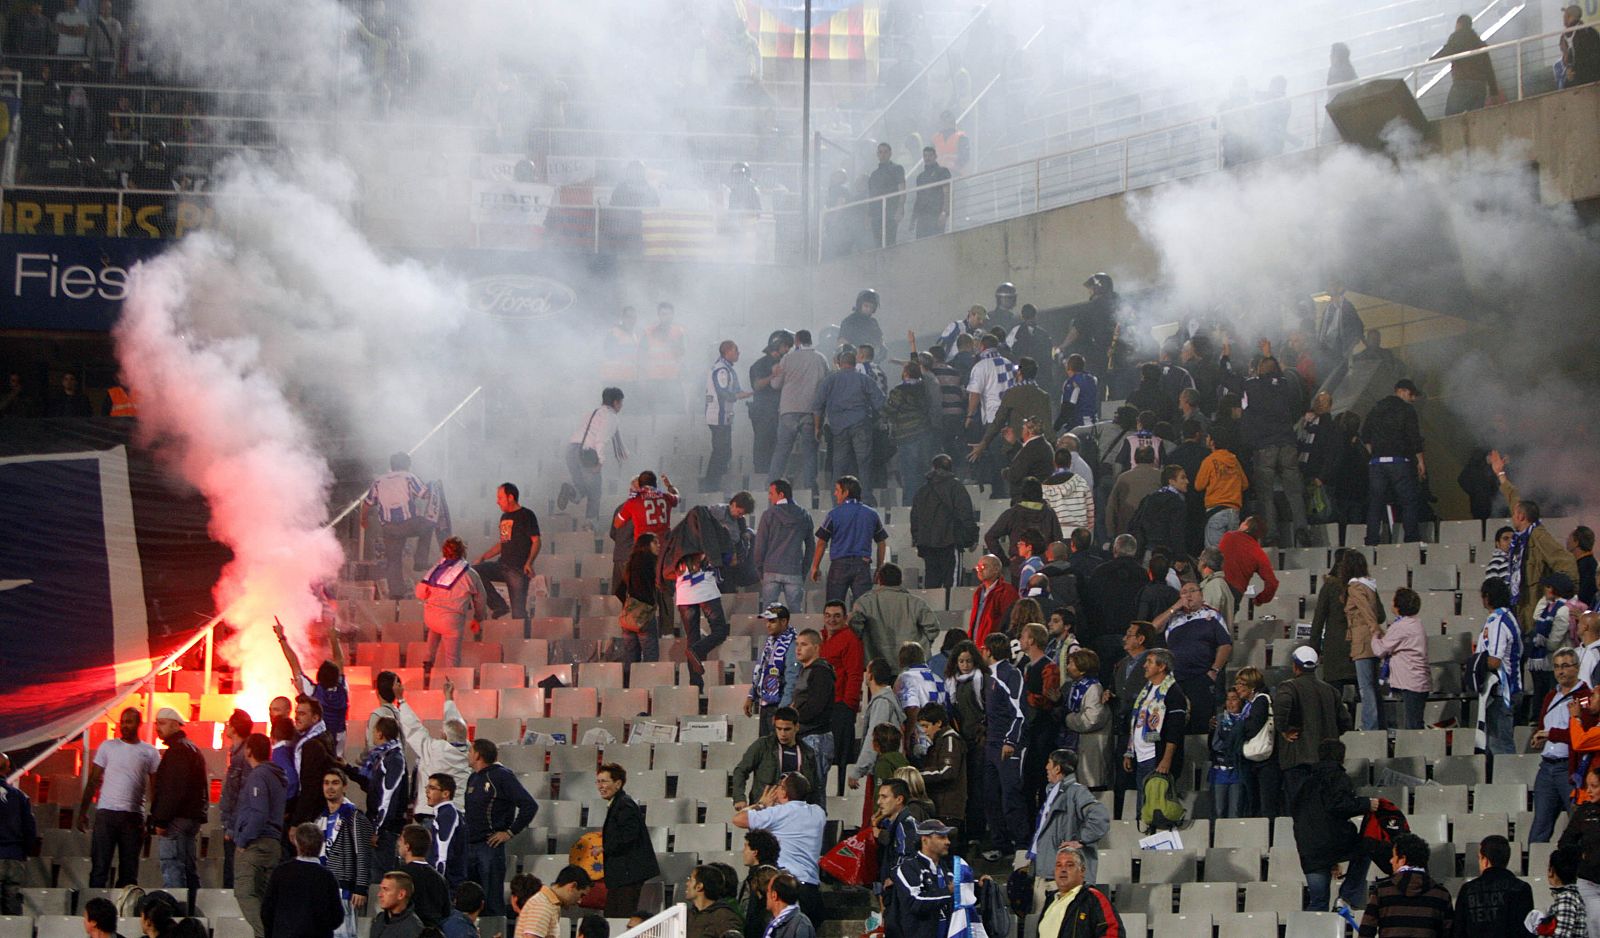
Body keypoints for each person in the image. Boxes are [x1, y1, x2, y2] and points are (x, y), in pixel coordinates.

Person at [1490, 450, 1580, 629]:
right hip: (1521, 610)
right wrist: (1500, 474)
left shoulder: (1538, 535)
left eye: (1515, 514)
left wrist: (1558, 597)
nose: (1512, 516)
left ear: (1522, 516)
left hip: (1535, 615)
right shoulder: (1522, 538)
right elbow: (1513, 498)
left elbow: (1567, 562)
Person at [1290, 738, 1377, 915]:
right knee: (1369, 847)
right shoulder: (1337, 776)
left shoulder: (1304, 782)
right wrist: (1366, 804)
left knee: (1318, 902)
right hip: (1332, 842)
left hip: (1309, 847)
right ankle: (1347, 896)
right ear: (1341, 757)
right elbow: (1339, 806)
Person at [1022, 750, 1110, 916]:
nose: (1046, 767)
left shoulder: (1076, 791)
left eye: (1049, 763)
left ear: (1057, 768)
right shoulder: (1053, 792)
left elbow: (1100, 816)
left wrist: (1081, 840)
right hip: (1045, 873)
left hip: (1060, 878)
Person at [80, 706, 160, 888]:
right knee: (100, 866)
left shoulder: (150, 752)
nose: (124, 726)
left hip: (132, 816)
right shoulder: (107, 746)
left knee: (129, 870)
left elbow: (155, 788)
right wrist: (83, 811)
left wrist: (153, 816)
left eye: (129, 722)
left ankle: (125, 912)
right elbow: (93, 780)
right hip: (106, 813)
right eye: (122, 722)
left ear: (138, 724)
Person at [734, 774, 827, 924]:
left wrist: (761, 804)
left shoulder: (777, 814)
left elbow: (738, 819)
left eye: (780, 786)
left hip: (785, 887)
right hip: (811, 889)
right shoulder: (818, 813)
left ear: (783, 792)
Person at [465, 740, 538, 916]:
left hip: (489, 847)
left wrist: (509, 832)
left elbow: (529, 805)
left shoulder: (502, 776)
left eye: (470, 751)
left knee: (491, 901)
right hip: (470, 846)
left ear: (477, 755)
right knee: (470, 902)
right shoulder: (473, 777)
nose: (467, 754)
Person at [1151, 579, 1231, 732]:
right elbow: (1153, 627)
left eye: (1192, 591)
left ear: (1201, 595)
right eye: (1184, 592)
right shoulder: (1174, 618)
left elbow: (1225, 644)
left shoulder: (1211, 615)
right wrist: (1174, 608)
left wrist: (1214, 671)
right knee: (1175, 723)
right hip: (1176, 679)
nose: (1188, 595)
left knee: (1201, 722)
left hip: (1202, 676)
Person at [1275, 646, 1351, 801]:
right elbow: (1345, 722)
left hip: (1298, 761)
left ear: (1295, 666)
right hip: (1326, 761)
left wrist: (1283, 730)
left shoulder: (1289, 687)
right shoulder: (1330, 690)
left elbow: (1282, 707)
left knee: (1300, 808)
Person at [150, 707, 207, 912]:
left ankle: (176, 916)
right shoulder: (190, 748)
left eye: (163, 723)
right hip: (190, 818)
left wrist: (161, 820)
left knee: (173, 868)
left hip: (177, 820)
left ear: (176, 724)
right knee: (188, 868)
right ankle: (191, 913)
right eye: (157, 723)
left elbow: (172, 790)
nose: (158, 727)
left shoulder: (178, 751)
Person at [229, 734, 286, 938]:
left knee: (245, 892)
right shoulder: (276, 776)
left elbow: (259, 813)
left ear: (249, 750)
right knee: (263, 899)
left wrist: (243, 840)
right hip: (272, 844)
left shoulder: (259, 776)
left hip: (257, 843)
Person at [1530, 648, 1589, 843]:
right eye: (1556, 667)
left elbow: (1583, 736)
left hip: (1569, 769)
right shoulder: (1550, 696)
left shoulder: (1586, 697)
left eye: (1565, 666)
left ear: (1577, 668)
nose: (1560, 671)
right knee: (1540, 826)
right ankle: (1534, 869)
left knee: (1577, 825)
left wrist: (1551, 734)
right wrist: (1539, 737)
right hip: (1546, 767)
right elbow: (1542, 726)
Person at [978, 632, 1028, 860]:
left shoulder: (1010, 674)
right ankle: (1001, 844)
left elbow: (1019, 712)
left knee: (1010, 796)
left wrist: (1011, 741)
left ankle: (1022, 845)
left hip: (1006, 745)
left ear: (989, 650)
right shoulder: (988, 676)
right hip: (991, 744)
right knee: (990, 795)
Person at [1122, 649, 1188, 818]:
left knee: (1156, 809)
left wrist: (1166, 760)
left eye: (1150, 662)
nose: (1144, 665)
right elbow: (1138, 721)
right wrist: (1130, 752)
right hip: (1141, 757)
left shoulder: (1174, 693)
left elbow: (1175, 731)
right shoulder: (1147, 689)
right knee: (1142, 808)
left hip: (1156, 759)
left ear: (1162, 667)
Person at [1361, 379, 1427, 545]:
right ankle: (1411, 539)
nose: (1412, 399)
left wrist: (1375, 454)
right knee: (1408, 501)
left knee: (1375, 503)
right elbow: (1414, 438)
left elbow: (1365, 435)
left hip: (1377, 463)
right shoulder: (1407, 410)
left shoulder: (1376, 409)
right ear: (1403, 391)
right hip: (1399, 461)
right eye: (1411, 395)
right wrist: (1420, 461)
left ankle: (1371, 540)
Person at [393, 677, 469, 821]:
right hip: (459, 813)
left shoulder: (435, 749)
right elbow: (455, 725)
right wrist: (448, 698)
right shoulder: (469, 752)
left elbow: (414, 729)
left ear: (444, 735)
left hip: (432, 813)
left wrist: (401, 700)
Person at [360, 453, 433, 599]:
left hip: (389, 527)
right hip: (409, 523)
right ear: (407, 464)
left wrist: (364, 519)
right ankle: (420, 561)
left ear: (391, 465)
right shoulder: (408, 476)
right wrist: (432, 486)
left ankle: (396, 592)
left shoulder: (379, 481)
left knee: (393, 559)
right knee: (428, 525)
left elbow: (367, 503)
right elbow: (425, 495)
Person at [814, 351, 888, 493]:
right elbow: (880, 403)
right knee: (864, 463)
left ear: (840, 364)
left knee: (839, 465)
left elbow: (817, 406)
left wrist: (817, 427)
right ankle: (865, 498)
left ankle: (837, 500)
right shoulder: (864, 379)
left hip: (838, 428)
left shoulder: (830, 380)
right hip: (861, 424)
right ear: (855, 364)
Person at [810, 475, 888, 606]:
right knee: (864, 609)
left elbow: (822, 542)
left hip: (839, 566)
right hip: (862, 565)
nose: (835, 494)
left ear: (846, 493)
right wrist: (879, 567)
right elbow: (881, 542)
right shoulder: (872, 514)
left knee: (834, 608)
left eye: (837, 490)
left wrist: (815, 567)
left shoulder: (833, 514)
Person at [1358, 832, 1453, 935]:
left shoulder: (1382, 891)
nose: (1391, 861)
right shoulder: (1442, 894)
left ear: (1402, 860)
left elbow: (1366, 931)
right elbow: (1450, 932)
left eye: (1393, 856)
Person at [769, 329, 832, 487]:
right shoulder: (821, 358)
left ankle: (771, 485)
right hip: (812, 412)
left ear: (797, 341)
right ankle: (810, 488)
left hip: (789, 410)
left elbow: (775, 384)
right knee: (810, 453)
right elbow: (827, 384)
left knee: (782, 450)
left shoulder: (788, 358)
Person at [413, 537, 487, 669]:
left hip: (431, 617)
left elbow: (419, 593)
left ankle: (428, 660)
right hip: (451, 621)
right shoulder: (470, 574)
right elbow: (481, 598)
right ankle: (451, 682)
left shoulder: (435, 570)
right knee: (452, 658)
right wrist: (478, 618)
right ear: (463, 551)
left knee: (434, 628)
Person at [595, 764, 658, 917]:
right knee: (614, 916)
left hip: (627, 874)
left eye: (604, 781)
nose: (600, 786)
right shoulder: (619, 803)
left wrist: (605, 848)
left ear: (618, 783)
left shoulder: (624, 804)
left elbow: (630, 834)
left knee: (620, 917)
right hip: (622, 875)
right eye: (598, 782)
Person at [315, 769, 373, 938]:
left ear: (344, 787)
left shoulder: (354, 816)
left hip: (345, 890)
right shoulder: (320, 819)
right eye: (326, 783)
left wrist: (361, 888)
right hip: (324, 889)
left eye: (335, 783)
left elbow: (363, 853)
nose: (330, 787)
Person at [346, 714, 408, 869]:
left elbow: (388, 796)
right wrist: (346, 768)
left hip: (385, 831)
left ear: (380, 733)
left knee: (378, 876)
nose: (372, 735)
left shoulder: (394, 759)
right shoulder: (382, 757)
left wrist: (377, 829)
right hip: (379, 827)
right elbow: (371, 786)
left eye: (374, 731)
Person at [261, 823, 344, 938]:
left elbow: (267, 911)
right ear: (321, 844)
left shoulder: (281, 872)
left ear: (296, 843)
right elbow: (337, 916)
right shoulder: (327, 877)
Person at [473, 483, 541, 621]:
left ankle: (525, 638)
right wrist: (483, 557)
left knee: (518, 614)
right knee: (474, 572)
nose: (497, 501)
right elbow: (503, 543)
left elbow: (536, 541)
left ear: (510, 497)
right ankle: (499, 605)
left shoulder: (526, 515)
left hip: (517, 570)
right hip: (502, 565)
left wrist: (529, 563)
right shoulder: (504, 517)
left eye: (500, 497)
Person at [910, 453, 978, 590]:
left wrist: (918, 540)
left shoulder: (922, 491)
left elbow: (914, 519)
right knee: (952, 587)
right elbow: (965, 514)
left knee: (931, 586)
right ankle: (948, 610)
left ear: (933, 468)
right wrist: (971, 538)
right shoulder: (956, 487)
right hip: (950, 542)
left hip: (927, 544)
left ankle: (933, 610)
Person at [850, 562, 941, 664]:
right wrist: (923, 644)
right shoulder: (916, 603)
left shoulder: (864, 603)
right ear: (900, 580)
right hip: (911, 663)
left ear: (879, 580)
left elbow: (854, 631)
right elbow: (933, 628)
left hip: (876, 665)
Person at [732, 707, 822, 807]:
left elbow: (814, 786)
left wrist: (816, 808)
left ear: (797, 727)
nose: (782, 734)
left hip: (794, 809)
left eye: (787, 729)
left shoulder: (807, 752)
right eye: (779, 729)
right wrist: (739, 798)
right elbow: (740, 771)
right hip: (766, 808)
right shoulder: (763, 745)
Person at [819, 602, 865, 795]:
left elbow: (855, 674)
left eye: (837, 615)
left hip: (841, 707)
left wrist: (849, 705)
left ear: (845, 618)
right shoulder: (821, 639)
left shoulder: (850, 640)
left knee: (840, 756)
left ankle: (840, 795)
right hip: (824, 707)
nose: (832, 619)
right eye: (828, 615)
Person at [562, 388, 628, 522]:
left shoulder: (592, 413)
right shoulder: (611, 417)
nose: (621, 406)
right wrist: (600, 462)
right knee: (595, 493)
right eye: (621, 402)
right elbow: (600, 440)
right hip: (587, 454)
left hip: (571, 450)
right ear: (615, 402)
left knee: (581, 486)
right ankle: (590, 524)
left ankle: (571, 492)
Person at [1371, 588, 1431, 729]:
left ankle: (1415, 750)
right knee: (1415, 723)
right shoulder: (1416, 623)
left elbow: (1379, 650)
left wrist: (1374, 634)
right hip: (1417, 680)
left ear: (1398, 605)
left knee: (1413, 726)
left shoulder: (1401, 626)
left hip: (1411, 682)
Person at [1451, 834, 1533, 937]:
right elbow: (1526, 931)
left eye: (1479, 858)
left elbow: (1458, 931)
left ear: (1485, 860)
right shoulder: (1522, 888)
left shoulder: (1467, 889)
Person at [887, 819, 956, 938]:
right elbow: (915, 902)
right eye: (941, 837)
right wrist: (949, 891)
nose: (948, 842)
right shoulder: (908, 867)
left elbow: (961, 891)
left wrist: (979, 886)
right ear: (925, 840)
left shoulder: (946, 869)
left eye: (947, 837)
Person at [755, 478, 815, 613]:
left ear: (781, 494)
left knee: (769, 615)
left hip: (771, 570)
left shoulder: (768, 514)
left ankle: (771, 635)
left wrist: (760, 570)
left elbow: (760, 545)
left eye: (771, 493)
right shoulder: (804, 515)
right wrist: (803, 570)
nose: (769, 497)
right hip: (794, 570)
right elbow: (811, 547)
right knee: (795, 614)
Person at [1037, 844, 1122, 938]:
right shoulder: (1050, 900)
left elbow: (1113, 933)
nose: (1063, 870)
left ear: (1082, 871)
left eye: (1069, 865)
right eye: (1059, 865)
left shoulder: (1093, 898)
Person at [702, 341, 753, 490]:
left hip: (725, 416)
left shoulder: (728, 369)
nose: (738, 353)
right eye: (736, 350)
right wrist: (739, 395)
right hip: (718, 415)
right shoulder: (721, 370)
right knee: (720, 451)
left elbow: (735, 389)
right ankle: (711, 484)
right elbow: (723, 393)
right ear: (728, 351)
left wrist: (744, 393)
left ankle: (717, 482)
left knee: (725, 451)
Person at [849, 661, 907, 790]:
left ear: (870, 676)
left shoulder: (881, 702)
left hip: (884, 767)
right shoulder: (887, 699)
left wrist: (858, 771)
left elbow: (873, 737)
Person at [1433, 14, 1500, 115]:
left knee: (1451, 116)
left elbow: (1447, 50)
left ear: (1459, 24)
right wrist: (1493, 91)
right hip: (1480, 86)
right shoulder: (1479, 42)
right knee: (1475, 119)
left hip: (1462, 84)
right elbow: (1488, 68)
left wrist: (1432, 59)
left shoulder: (1457, 37)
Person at [915, 703, 968, 828]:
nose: (924, 731)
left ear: (938, 723)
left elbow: (947, 771)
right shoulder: (939, 742)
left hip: (948, 809)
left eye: (926, 726)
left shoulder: (950, 740)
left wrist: (916, 775)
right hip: (940, 807)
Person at [749, 605, 800, 732]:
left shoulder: (792, 644)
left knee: (776, 748)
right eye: (767, 621)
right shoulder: (769, 642)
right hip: (765, 703)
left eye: (772, 621)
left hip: (779, 704)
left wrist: (782, 710)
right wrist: (751, 695)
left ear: (784, 622)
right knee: (766, 747)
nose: (768, 625)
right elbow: (761, 672)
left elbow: (792, 678)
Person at [1195, 427, 1247, 548]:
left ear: (1213, 442)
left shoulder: (1209, 460)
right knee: (1231, 552)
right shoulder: (1234, 460)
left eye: (1208, 437)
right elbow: (1245, 484)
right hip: (1234, 512)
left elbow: (1199, 485)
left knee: (1214, 555)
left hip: (1216, 512)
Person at [396, 825, 451, 927]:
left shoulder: (400, 877)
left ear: (407, 847)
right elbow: (446, 912)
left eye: (401, 840)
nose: (398, 843)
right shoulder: (440, 878)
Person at [1219, 516, 1280, 607]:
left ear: (1246, 527)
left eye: (1244, 522)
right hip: (1235, 593)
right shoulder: (1259, 553)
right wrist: (1259, 599)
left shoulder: (1228, 537)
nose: (1241, 523)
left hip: (1218, 584)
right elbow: (1272, 583)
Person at [517, 866, 592, 938]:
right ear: (572, 886)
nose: (579, 901)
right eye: (581, 895)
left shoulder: (547, 903)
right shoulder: (543, 904)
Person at [420, 775, 466, 887]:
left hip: (448, 883)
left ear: (445, 793)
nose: (427, 791)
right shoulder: (443, 813)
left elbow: (442, 854)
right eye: (427, 787)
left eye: (432, 788)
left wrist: (437, 884)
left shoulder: (447, 814)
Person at [968, 554, 1020, 645]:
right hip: (977, 645)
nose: (980, 570)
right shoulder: (979, 592)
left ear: (996, 569)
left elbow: (1010, 622)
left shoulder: (1007, 591)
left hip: (995, 646)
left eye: (984, 566)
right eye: (978, 567)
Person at [684, 864, 742, 938]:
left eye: (690, 879)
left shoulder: (724, 917)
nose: (687, 883)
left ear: (699, 886)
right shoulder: (687, 915)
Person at [866, 143, 906, 246]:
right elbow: (871, 196)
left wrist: (900, 209)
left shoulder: (897, 168)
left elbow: (902, 189)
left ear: (890, 153)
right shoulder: (874, 174)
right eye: (880, 152)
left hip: (891, 211)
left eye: (885, 152)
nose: (882, 154)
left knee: (890, 240)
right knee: (877, 242)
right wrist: (869, 215)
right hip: (876, 214)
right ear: (877, 154)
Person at [369, 872, 425, 938]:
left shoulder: (413, 929)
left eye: (386, 889)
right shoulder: (379, 919)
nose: (380, 894)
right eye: (381, 889)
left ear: (401, 894)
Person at [762, 872, 817, 938]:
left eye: (768, 891)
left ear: (774, 895)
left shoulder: (801, 924)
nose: (766, 895)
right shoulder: (773, 923)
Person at [1562, 4, 1600, 86]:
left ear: (1569, 16)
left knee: (1566, 86)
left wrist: (1569, 69)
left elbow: (1567, 58)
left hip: (1583, 76)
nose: (1563, 18)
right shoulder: (1591, 31)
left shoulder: (1566, 35)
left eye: (1565, 15)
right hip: (1594, 74)